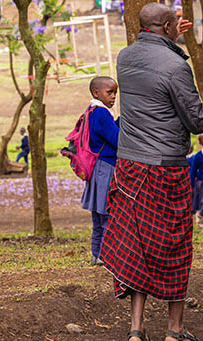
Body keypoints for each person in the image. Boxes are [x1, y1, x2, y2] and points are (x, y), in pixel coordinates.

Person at [99, 3, 203, 341]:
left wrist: (171, 39)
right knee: (174, 245)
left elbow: (154, 71)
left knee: (136, 246)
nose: (181, 24)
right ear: (166, 27)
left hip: (129, 166)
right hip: (166, 168)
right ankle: (174, 330)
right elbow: (195, 120)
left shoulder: (125, 57)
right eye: (176, 22)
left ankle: (136, 330)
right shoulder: (175, 65)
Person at [80, 76, 119, 266]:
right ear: (96, 93)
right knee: (106, 215)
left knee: (98, 217)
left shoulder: (91, 110)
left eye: (115, 93)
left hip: (96, 168)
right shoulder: (102, 114)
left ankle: (96, 254)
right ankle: (105, 255)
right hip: (106, 167)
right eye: (109, 92)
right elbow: (117, 140)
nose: (113, 97)